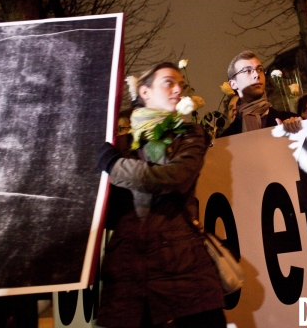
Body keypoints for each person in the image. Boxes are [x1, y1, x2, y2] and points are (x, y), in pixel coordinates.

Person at [96, 62, 226, 328]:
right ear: (144, 92)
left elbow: (173, 178)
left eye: (182, 84)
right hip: (127, 280)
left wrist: (114, 166)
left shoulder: (190, 135)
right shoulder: (119, 144)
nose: (178, 89)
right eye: (169, 82)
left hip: (183, 273)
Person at [219, 50, 297, 137]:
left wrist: (297, 133)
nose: (256, 74)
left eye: (260, 69)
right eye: (247, 71)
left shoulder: (291, 121)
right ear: (233, 84)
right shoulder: (226, 138)